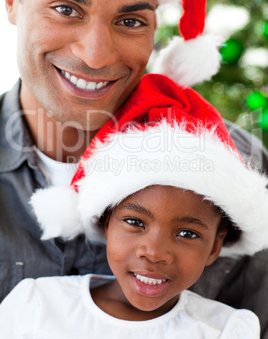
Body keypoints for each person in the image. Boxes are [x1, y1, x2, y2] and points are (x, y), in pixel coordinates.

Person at [0, 0, 268, 336]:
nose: (95, 55)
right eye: (65, 9)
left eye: (129, 21)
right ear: (12, 1)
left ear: (154, 27)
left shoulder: (239, 167)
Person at [0, 73, 265, 338]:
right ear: (105, 222)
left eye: (187, 233)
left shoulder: (225, 329)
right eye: (135, 222)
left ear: (215, 246)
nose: (154, 252)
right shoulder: (37, 305)